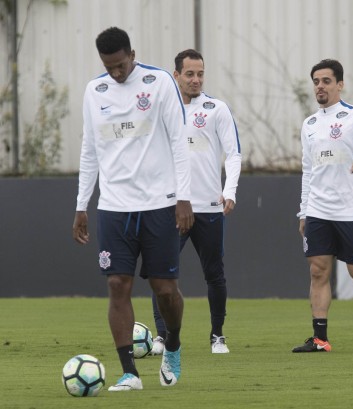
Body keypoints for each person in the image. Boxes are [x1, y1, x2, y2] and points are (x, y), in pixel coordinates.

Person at [72, 27, 193, 391]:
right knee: (116, 283)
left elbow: (178, 141)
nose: (116, 73)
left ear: (132, 54)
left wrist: (183, 198)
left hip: (159, 204)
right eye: (109, 68)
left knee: (165, 289)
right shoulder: (95, 91)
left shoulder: (158, 83)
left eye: (121, 66)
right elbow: (89, 149)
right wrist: (81, 206)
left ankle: (171, 343)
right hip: (113, 207)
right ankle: (130, 373)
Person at [293, 59, 353, 353]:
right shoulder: (309, 125)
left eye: (326, 81)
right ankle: (320, 339)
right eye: (316, 81)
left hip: (351, 209)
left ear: (339, 84)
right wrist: (304, 210)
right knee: (318, 272)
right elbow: (307, 170)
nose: (320, 87)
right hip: (319, 210)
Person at [149, 49, 241, 356]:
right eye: (189, 74)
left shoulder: (216, 109)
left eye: (200, 73)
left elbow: (234, 153)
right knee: (161, 272)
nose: (196, 79)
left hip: (209, 207)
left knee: (214, 273)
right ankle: (161, 336)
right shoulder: (162, 110)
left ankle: (218, 335)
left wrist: (231, 190)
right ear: (176, 76)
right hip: (172, 208)